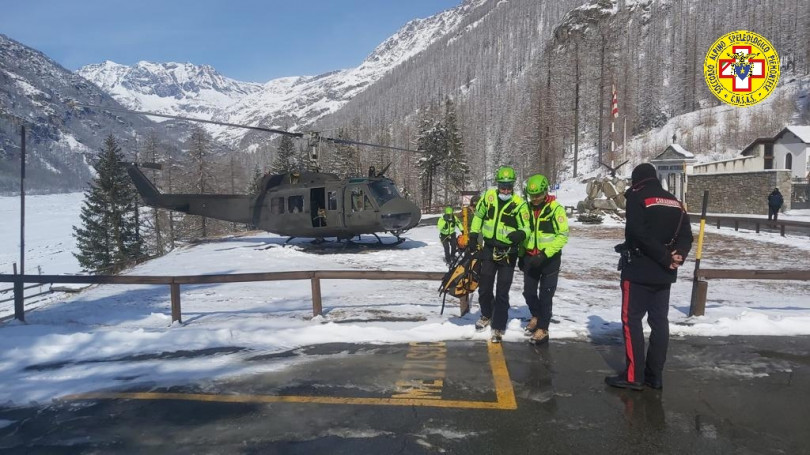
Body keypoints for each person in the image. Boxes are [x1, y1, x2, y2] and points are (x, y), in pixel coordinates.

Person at [605, 163, 693, 391]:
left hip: (639, 268)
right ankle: (655, 376)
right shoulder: (675, 201)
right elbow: (686, 236)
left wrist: (664, 257)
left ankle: (634, 376)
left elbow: (638, 233)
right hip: (665, 273)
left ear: (637, 181)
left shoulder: (638, 197)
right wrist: (677, 256)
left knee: (631, 321)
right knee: (659, 323)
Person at [468, 166, 530, 343]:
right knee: (485, 286)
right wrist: (473, 233)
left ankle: (499, 325)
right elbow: (479, 215)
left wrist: (521, 234)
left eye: (508, 186)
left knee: (502, 291)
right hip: (489, 248)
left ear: (513, 185)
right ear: (498, 185)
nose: (505, 190)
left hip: (509, 251)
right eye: (502, 186)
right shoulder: (488, 197)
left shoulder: (519, 204)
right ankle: (486, 314)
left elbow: (526, 227)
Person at [519, 174, 569, 345]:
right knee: (529, 292)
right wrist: (521, 254)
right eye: (532, 196)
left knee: (546, 296)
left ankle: (543, 328)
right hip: (530, 258)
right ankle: (536, 315)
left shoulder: (556, 209)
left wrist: (545, 254)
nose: (535, 199)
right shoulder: (526, 208)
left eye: (538, 195)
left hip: (549, 259)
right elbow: (523, 231)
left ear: (545, 192)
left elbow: (562, 236)